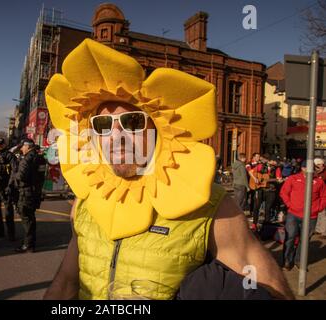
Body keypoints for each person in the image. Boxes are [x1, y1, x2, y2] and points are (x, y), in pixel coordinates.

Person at [42, 39, 293, 300]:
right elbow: (66, 282)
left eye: (133, 121)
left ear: (158, 130)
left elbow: (268, 286)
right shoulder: (85, 201)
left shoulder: (210, 205)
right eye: (103, 124)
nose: (117, 136)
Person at [279, 160, 326, 270]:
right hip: (293, 214)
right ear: (302, 168)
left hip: (311, 216)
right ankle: (287, 260)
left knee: (305, 240)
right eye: (306, 168)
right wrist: (290, 205)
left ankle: (299, 260)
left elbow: (324, 196)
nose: (309, 170)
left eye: (312, 168)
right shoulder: (293, 178)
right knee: (290, 237)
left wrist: (318, 208)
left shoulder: (319, 182)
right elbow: (284, 192)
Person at [13, 138, 38, 253]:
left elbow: (21, 176)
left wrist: (14, 178)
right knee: (31, 218)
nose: (22, 148)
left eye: (23, 146)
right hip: (34, 191)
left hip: (25, 192)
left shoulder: (26, 159)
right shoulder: (38, 157)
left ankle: (28, 245)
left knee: (26, 219)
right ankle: (31, 243)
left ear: (28, 146)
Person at [314, 158, 326, 239]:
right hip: (318, 195)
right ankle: (318, 229)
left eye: (318, 166)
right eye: (315, 166)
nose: (316, 168)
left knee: (323, 213)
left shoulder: (324, 173)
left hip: (324, 195)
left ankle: (324, 231)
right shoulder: (316, 173)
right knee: (319, 212)